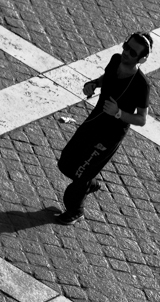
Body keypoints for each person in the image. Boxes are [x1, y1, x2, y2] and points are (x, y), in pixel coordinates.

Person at [54, 32, 153, 224]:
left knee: (80, 177)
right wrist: (94, 84)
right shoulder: (115, 60)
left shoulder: (141, 85)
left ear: (141, 59)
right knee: (66, 162)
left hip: (110, 135)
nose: (126, 53)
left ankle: (76, 210)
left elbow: (141, 119)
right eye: (126, 46)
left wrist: (118, 113)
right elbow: (106, 77)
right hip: (94, 121)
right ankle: (89, 183)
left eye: (132, 52)